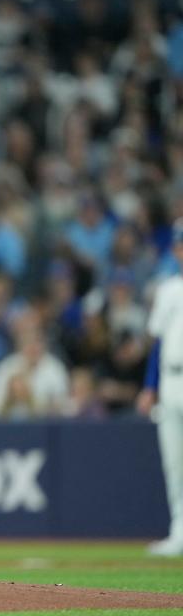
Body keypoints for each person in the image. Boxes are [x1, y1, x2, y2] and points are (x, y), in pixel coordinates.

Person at [137, 219, 183, 557]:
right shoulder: (169, 288)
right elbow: (157, 343)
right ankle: (179, 533)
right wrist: (149, 386)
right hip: (170, 379)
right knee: (174, 462)